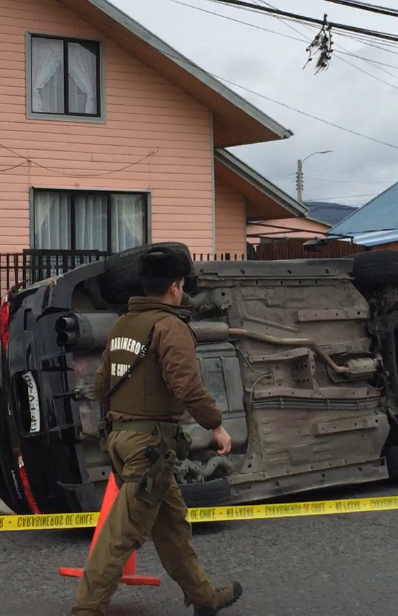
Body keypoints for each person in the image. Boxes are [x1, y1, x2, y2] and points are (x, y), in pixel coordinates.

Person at [70, 244, 243, 616]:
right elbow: (187, 387)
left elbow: (101, 384)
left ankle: (204, 598)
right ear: (176, 287)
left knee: (171, 527)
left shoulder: (122, 325)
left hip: (122, 438)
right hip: (149, 446)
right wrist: (216, 426)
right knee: (120, 536)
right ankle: (86, 609)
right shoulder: (170, 327)